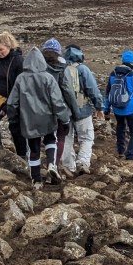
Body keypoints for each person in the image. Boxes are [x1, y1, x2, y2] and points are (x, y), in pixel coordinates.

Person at [6, 47, 71, 188]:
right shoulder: (48, 78)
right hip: (47, 118)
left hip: (28, 120)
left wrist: (13, 120)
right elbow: (57, 102)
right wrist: (65, 119)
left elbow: (11, 103)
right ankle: (51, 165)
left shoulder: (20, 79)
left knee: (33, 149)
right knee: (50, 140)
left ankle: (36, 180)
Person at [60, 45, 103, 176]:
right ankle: (82, 162)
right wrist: (99, 107)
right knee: (86, 137)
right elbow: (92, 90)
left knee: (67, 137)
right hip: (82, 109)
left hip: (64, 111)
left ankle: (68, 166)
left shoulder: (61, 69)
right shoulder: (83, 69)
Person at [39, 38, 80, 176]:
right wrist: (75, 111)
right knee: (60, 137)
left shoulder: (36, 68)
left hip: (38, 109)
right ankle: (54, 165)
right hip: (58, 109)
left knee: (37, 138)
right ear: (59, 53)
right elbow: (68, 91)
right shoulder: (62, 69)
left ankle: (34, 166)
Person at [105, 51, 133, 161]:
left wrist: (106, 108)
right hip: (132, 109)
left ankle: (121, 151)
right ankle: (130, 155)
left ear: (123, 60)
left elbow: (107, 93)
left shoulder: (113, 74)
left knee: (120, 127)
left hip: (117, 108)